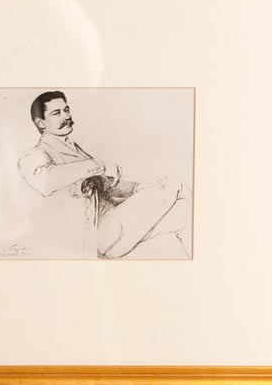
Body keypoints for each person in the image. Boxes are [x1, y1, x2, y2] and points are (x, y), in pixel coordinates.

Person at [17, 90, 192, 259]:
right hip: (99, 235)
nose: (66, 116)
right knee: (175, 183)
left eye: (66, 110)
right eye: (56, 113)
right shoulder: (35, 155)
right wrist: (100, 166)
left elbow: (105, 186)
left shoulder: (74, 149)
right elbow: (46, 181)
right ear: (41, 123)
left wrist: (136, 188)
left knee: (183, 209)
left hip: (115, 228)